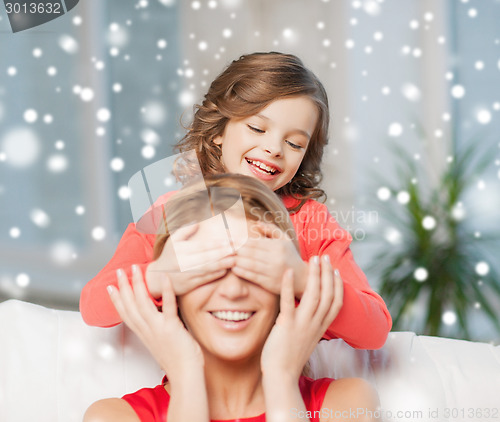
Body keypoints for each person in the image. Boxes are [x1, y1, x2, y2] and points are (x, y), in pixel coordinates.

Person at [79, 51, 392, 349]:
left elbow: (375, 329)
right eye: (257, 128)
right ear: (219, 130)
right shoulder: (172, 212)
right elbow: (94, 307)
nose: (274, 148)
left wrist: (301, 278)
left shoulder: (311, 221)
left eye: (295, 143)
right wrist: (159, 275)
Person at [83, 174, 380, 422]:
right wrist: (186, 378)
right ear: (171, 291)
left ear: (284, 292)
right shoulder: (113, 416)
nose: (234, 290)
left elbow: (374, 325)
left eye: (253, 270)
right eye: (210, 271)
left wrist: (282, 379)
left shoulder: (347, 405)